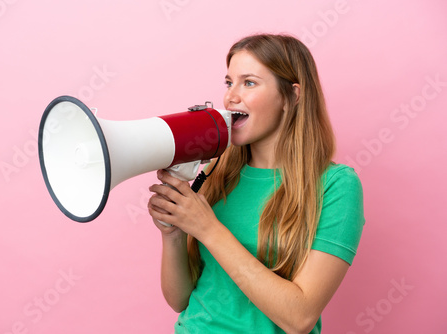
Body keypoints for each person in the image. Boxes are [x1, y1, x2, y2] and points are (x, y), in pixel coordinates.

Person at [147, 33, 365, 334]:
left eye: (248, 82)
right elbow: (179, 299)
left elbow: (299, 318)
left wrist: (207, 228)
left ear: (292, 96)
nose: (230, 97)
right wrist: (172, 234)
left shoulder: (336, 186)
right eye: (229, 83)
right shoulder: (216, 172)